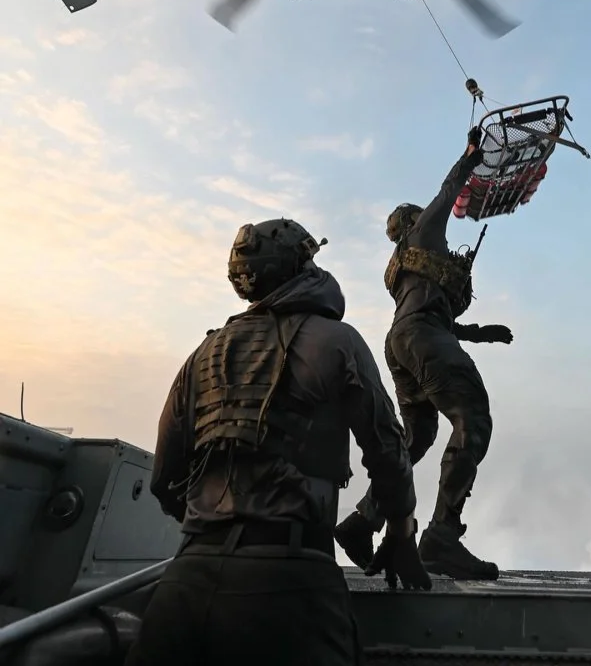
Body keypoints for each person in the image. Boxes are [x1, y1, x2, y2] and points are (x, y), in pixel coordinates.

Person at [125, 217, 431, 666]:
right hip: (291, 585)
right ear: (300, 265)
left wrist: (211, 535)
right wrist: (401, 532)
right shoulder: (338, 341)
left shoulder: (204, 353)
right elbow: (389, 451)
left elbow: (164, 480)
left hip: (185, 584)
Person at [335, 128, 513, 581]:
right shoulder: (425, 232)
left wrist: (479, 333)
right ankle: (442, 536)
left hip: (403, 342)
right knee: (473, 420)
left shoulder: (402, 266)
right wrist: (471, 156)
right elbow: (448, 190)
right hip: (423, 339)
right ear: (414, 221)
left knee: (417, 438)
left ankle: (361, 521)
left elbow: (428, 313)